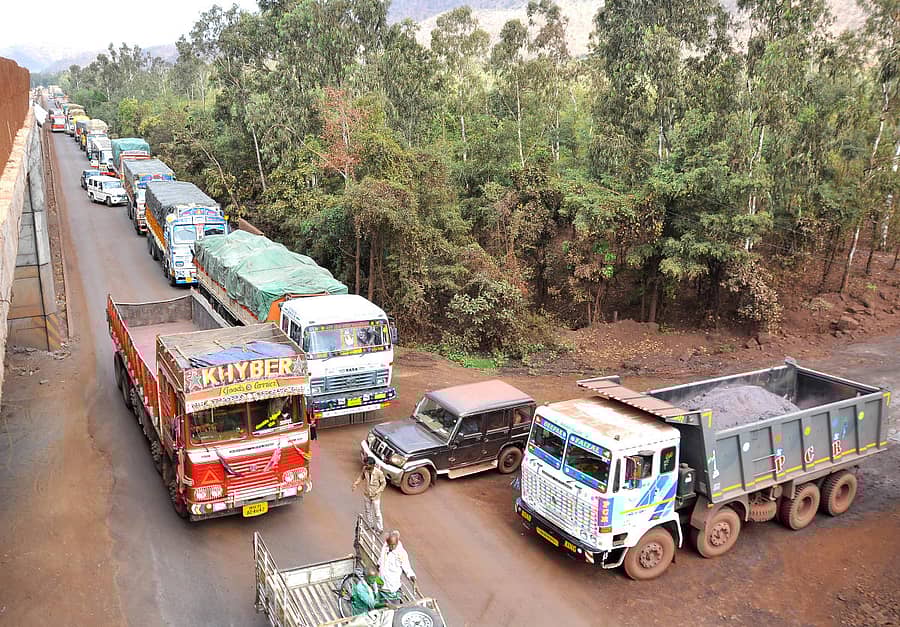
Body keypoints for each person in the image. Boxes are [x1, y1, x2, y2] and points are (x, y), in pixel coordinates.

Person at [377, 530, 419, 605]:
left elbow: (407, 568)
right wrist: (377, 567)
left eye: (394, 545)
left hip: (392, 588)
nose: (392, 547)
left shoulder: (401, 554)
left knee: (394, 609)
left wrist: (414, 582)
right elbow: (381, 558)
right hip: (381, 585)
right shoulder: (385, 546)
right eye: (390, 545)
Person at [352, 457, 386, 533]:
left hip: (375, 496)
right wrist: (356, 484)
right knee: (368, 511)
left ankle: (380, 529)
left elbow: (383, 484)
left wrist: (378, 491)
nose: (366, 466)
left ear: (373, 465)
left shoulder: (379, 473)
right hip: (367, 494)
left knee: (377, 513)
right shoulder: (365, 469)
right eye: (365, 464)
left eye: (367, 464)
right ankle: (370, 525)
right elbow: (361, 477)